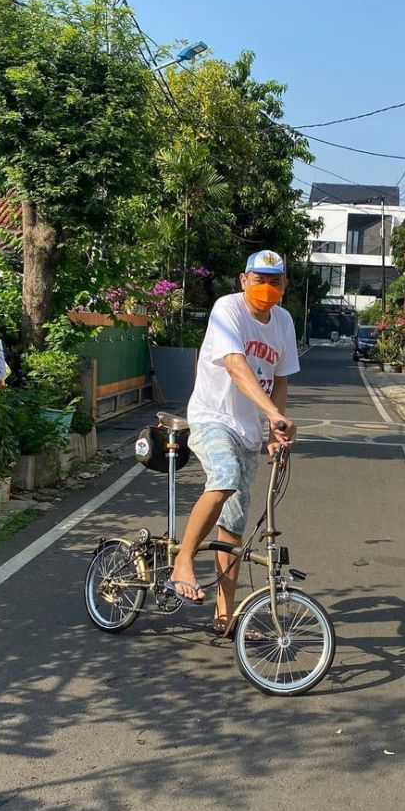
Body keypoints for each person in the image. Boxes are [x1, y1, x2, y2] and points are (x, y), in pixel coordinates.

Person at [168, 249, 299, 634]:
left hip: (247, 431)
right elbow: (236, 366)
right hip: (211, 417)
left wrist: (274, 429)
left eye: (275, 281)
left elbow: (281, 377)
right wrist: (274, 415)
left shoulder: (284, 322)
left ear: (285, 285)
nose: (267, 288)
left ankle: (225, 616)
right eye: (259, 280)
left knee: (234, 524)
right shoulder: (228, 309)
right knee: (223, 478)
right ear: (244, 280)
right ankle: (183, 561)